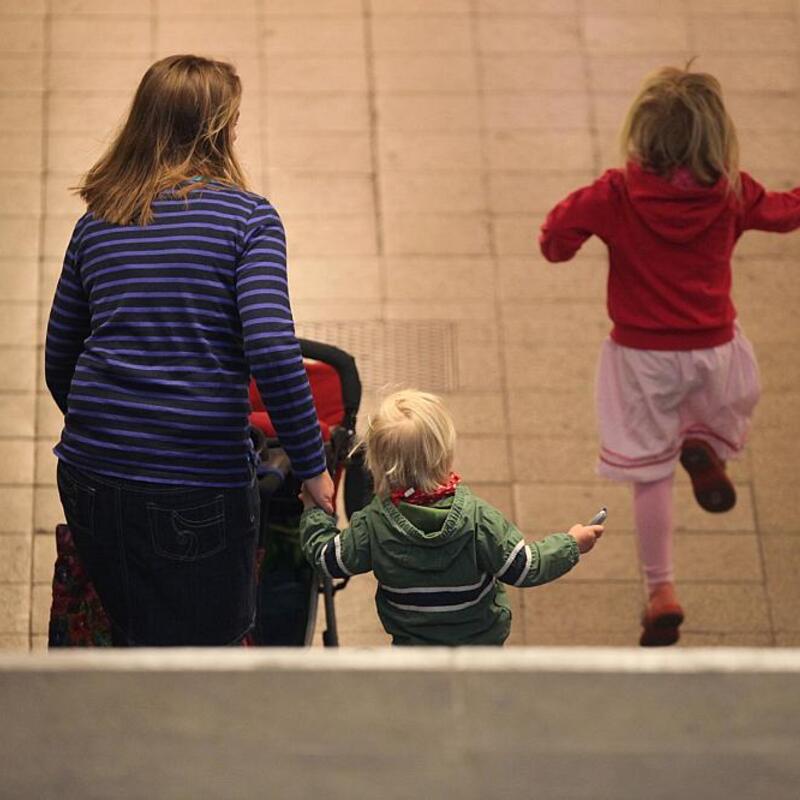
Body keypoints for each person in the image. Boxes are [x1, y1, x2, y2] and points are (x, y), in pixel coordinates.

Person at [45, 54, 334, 646]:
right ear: (220, 130)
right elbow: (274, 352)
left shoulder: (100, 218)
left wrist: (111, 429)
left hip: (88, 471)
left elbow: (60, 356)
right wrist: (312, 468)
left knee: (119, 626)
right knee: (206, 654)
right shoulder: (249, 220)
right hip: (195, 483)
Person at [539, 64, 800, 646]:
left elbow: (555, 238)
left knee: (650, 476)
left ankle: (662, 590)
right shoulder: (734, 191)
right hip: (716, 351)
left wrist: (569, 238)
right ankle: (702, 444)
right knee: (716, 411)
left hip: (641, 357)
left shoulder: (615, 193)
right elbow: (787, 213)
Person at [299, 390, 603, 646]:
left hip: (413, 648)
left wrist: (315, 511)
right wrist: (572, 543)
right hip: (481, 645)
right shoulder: (478, 520)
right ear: (445, 456)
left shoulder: (372, 526)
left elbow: (328, 559)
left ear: (375, 463)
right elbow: (524, 567)